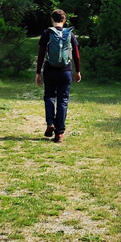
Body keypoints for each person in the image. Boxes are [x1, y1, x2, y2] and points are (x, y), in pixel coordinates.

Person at [35, 9, 81, 142]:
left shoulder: (47, 33)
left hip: (50, 70)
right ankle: (59, 133)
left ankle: (50, 123)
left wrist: (38, 72)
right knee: (63, 100)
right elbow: (76, 55)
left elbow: (41, 55)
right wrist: (77, 71)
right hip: (65, 71)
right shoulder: (70, 34)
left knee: (49, 96)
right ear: (64, 20)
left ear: (52, 20)